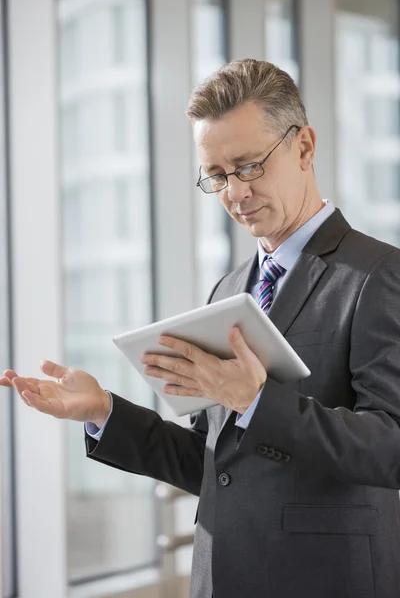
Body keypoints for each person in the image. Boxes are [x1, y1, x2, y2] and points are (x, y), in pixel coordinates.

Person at [2, 59, 400, 598]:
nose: (234, 193)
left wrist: (258, 400)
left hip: (325, 578)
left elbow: (390, 446)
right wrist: (104, 412)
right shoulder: (229, 291)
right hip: (221, 577)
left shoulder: (378, 274)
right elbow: (212, 463)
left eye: (249, 166)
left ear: (304, 146)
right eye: (216, 175)